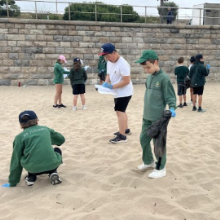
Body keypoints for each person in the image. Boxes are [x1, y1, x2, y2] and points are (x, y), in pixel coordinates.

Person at [135, 50, 176, 179]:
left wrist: (172, 108)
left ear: (156, 62)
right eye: (144, 68)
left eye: (148, 67)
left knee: (159, 143)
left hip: (158, 118)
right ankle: (148, 162)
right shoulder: (149, 77)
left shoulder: (164, 79)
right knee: (143, 139)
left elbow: (170, 96)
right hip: (146, 116)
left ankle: (161, 167)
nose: (146, 70)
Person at [2, 110, 65, 187]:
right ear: (37, 120)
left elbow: (16, 161)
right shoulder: (45, 129)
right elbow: (61, 140)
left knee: (24, 155)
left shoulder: (19, 137)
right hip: (52, 164)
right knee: (57, 150)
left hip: (32, 168)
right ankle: (53, 172)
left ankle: (31, 177)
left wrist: (13, 182)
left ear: (21, 124)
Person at [98, 43, 133, 144]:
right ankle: (125, 129)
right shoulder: (109, 62)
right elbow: (108, 74)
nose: (107, 58)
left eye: (108, 56)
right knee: (122, 111)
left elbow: (126, 81)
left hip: (125, 92)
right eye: (105, 56)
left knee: (119, 111)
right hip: (116, 91)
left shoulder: (123, 64)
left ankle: (122, 136)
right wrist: (106, 82)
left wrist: (112, 86)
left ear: (114, 52)